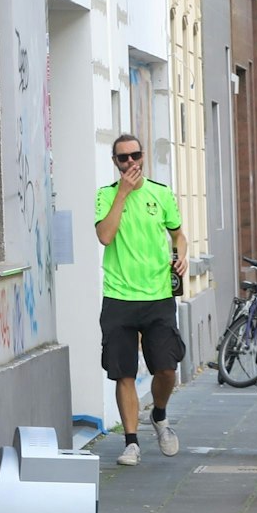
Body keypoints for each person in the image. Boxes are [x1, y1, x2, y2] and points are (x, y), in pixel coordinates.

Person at [93, 133, 187, 467]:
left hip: (158, 295)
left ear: (143, 156)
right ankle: (131, 443)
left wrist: (181, 255)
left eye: (135, 156)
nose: (130, 163)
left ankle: (159, 415)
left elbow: (178, 233)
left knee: (167, 368)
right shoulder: (106, 196)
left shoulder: (160, 193)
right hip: (119, 297)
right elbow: (105, 236)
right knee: (124, 373)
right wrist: (122, 194)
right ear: (115, 163)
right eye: (123, 158)